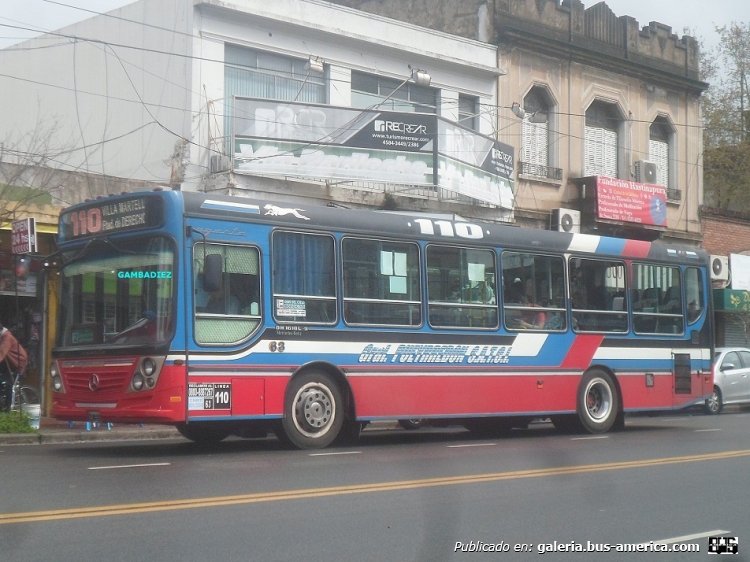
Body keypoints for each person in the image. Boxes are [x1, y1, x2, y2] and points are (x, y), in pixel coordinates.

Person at [0, 322, 29, 408]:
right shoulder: (2, 337)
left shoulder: (7, 337)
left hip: (18, 363)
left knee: (9, 384)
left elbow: (1, 353)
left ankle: (8, 408)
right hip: (9, 364)